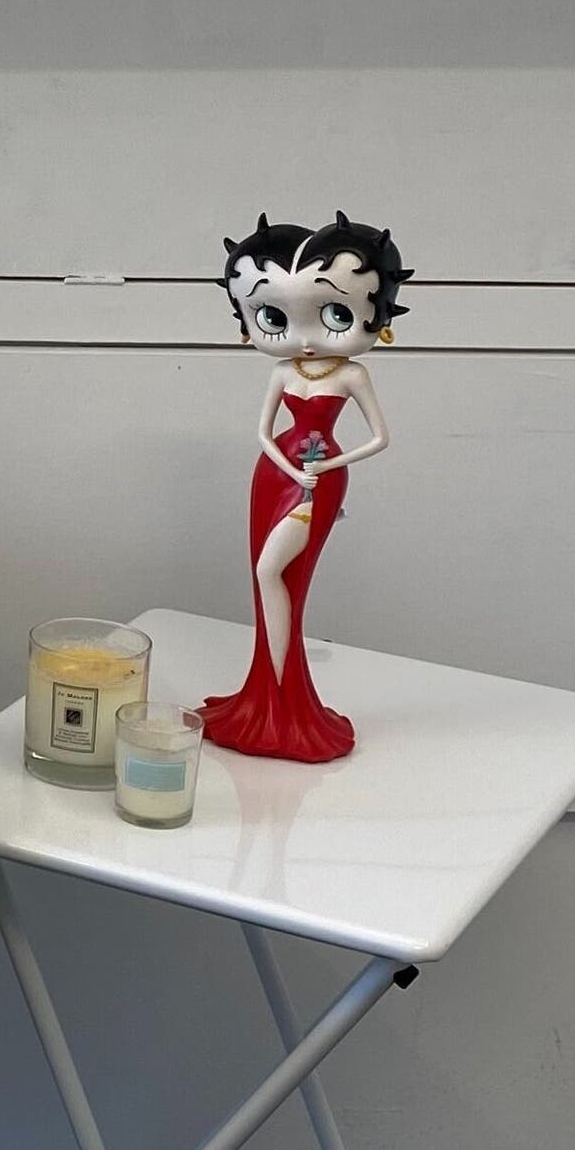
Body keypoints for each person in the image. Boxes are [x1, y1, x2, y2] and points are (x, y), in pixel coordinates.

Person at [202, 213, 409, 763]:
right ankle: (265, 696)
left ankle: (285, 698)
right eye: (272, 317)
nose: (305, 339)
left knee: (276, 573)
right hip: (275, 477)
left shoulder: (351, 375)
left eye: (336, 313)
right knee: (266, 576)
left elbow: (381, 438)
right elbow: (264, 434)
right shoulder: (283, 373)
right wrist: (290, 470)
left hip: (321, 483)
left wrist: (332, 462)